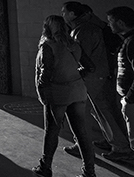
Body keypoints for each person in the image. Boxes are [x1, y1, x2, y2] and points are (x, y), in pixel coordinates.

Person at [61, 2, 133, 161]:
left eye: (64, 12)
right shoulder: (91, 26)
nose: (63, 15)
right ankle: (113, 141)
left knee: (100, 111)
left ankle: (120, 147)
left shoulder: (84, 30)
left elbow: (81, 56)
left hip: (93, 77)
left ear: (73, 14)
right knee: (101, 111)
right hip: (100, 76)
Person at [33, 15, 95, 177]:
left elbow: (45, 74)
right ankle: (89, 171)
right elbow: (89, 66)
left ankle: (45, 167)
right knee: (81, 132)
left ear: (46, 28)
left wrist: (42, 94)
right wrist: (74, 76)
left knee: (52, 131)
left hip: (57, 94)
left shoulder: (48, 46)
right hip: (77, 92)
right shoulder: (74, 44)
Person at [107, 6, 134, 155]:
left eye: (111, 21)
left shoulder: (132, 42)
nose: (109, 25)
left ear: (121, 23)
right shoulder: (127, 40)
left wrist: (129, 99)